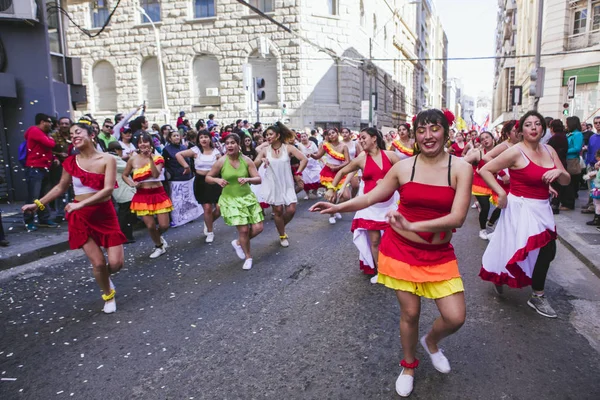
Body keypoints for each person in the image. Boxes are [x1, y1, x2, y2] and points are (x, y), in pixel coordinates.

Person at [310, 109, 471, 397]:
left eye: (434, 128)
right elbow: (372, 196)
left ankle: (431, 342)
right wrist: (337, 207)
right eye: (421, 130)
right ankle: (408, 365)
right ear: (415, 135)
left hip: (438, 254)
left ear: (446, 132)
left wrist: (414, 223)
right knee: (410, 313)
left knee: (455, 317)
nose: (427, 135)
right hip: (400, 250)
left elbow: (458, 217)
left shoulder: (460, 168)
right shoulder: (404, 167)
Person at [22, 120, 126, 314]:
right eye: (71, 134)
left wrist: (82, 203)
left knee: (116, 264)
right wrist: (37, 204)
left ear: (92, 135)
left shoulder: (107, 159)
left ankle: (104, 275)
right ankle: (108, 294)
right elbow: (61, 188)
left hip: (104, 215)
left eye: (78, 132)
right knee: (98, 263)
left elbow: (108, 189)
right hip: (80, 217)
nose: (74, 136)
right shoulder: (70, 162)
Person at [479, 111, 570, 318]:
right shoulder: (515, 152)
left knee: (543, 251)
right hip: (520, 208)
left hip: (542, 209)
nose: (534, 127)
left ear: (543, 129)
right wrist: (501, 192)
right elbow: (485, 169)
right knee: (545, 248)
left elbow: (566, 181)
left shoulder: (550, 150)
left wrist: (559, 173)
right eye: (528, 124)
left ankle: (506, 278)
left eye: (538, 124)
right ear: (521, 131)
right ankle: (538, 295)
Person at [326, 127, 400, 282]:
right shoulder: (361, 159)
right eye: (359, 138)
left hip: (390, 205)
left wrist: (389, 182)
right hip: (369, 206)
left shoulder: (391, 156)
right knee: (374, 240)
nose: (360, 140)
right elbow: (342, 172)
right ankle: (381, 272)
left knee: (393, 240)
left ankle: (394, 267)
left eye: (363, 137)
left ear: (374, 138)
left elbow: (404, 176)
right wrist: (332, 188)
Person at [206, 133, 264, 270]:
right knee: (243, 230)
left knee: (258, 228)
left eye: (233, 143)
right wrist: (217, 180)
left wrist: (248, 179)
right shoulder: (221, 161)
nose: (230, 146)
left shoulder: (246, 160)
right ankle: (248, 257)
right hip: (231, 200)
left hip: (247, 198)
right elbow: (208, 177)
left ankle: (238, 243)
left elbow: (258, 179)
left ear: (238, 145)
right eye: (227, 143)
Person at [254, 122, 307, 247]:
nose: (268, 136)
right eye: (266, 135)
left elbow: (304, 159)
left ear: (277, 135)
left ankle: (280, 226)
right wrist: (261, 160)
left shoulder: (288, 148)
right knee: (277, 211)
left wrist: (298, 173)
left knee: (291, 210)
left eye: (270, 134)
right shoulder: (264, 150)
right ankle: (282, 235)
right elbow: (254, 164)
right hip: (272, 184)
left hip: (287, 183)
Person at [122, 133, 173, 258]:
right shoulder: (133, 159)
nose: (143, 144)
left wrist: (150, 159)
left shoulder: (158, 158)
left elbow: (155, 175)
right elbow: (124, 175)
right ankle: (159, 246)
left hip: (158, 193)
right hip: (142, 195)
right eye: (140, 142)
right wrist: (132, 183)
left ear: (150, 143)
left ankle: (158, 236)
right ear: (137, 145)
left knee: (164, 225)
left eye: (145, 141)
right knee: (150, 226)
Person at [176, 130, 222, 243]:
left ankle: (208, 222)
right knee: (207, 208)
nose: (204, 139)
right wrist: (186, 166)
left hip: (214, 181)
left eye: (206, 137)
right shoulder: (196, 151)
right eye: (201, 137)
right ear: (198, 140)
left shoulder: (216, 152)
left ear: (210, 139)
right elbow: (179, 154)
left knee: (220, 209)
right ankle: (210, 232)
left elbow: (222, 165)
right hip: (201, 182)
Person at [23, 113, 58, 231]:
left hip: (43, 167)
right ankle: (29, 221)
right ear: (42, 122)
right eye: (49, 122)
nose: (51, 124)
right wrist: (51, 139)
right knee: (34, 196)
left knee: (43, 195)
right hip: (35, 168)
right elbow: (50, 144)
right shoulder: (34, 130)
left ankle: (44, 219)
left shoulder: (43, 133)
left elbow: (46, 149)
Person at [311, 128, 350, 224]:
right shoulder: (326, 146)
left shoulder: (344, 146)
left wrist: (338, 168)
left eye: (333, 133)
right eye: (329, 134)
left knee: (346, 196)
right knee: (332, 196)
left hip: (340, 171)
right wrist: (311, 155)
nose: (332, 135)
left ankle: (335, 208)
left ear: (337, 134)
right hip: (328, 172)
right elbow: (317, 156)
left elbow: (348, 161)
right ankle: (332, 214)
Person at [463, 131, 496, 240]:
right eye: (482, 139)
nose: (485, 140)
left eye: (487, 137)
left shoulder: (501, 151)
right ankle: (482, 230)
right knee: (485, 207)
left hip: (495, 184)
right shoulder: (479, 153)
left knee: (501, 207)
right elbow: (463, 162)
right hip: (480, 184)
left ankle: (490, 224)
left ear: (493, 138)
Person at [107, 142, 137, 243]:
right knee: (125, 214)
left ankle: (126, 235)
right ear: (116, 150)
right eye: (120, 150)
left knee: (126, 213)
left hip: (122, 189)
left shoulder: (111, 158)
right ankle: (125, 236)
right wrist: (132, 158)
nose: (121, 153)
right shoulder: (113, 159)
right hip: (123, 190)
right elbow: (129, 168)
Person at [561, 116, 584, 210]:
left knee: (570, 183)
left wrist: (565, 150)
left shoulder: (577, 134)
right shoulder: (569, 134)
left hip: (572, 160)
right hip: (566, 159)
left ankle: (569, 203)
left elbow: (577, 148)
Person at [340, 127, 362, 199]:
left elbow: (360, 156)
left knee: (356, 186)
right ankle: (344, 198)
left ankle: (352, 198)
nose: (344, 134)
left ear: (350, 134)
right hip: (342, 167)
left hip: (353, 167)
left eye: (346, 132)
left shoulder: (355, 143)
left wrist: (359, 168)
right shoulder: (339, 144)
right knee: (344, 190)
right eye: (343, 132)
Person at [298, 132, 321, 199]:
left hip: (314, 163)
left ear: (307, 136)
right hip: (305, 165)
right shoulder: (299, 145)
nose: (303, 138)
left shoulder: (312, 143)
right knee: (306, 180)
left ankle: (315, 191)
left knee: (318, 177)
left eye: (304, 136)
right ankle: (307, 194)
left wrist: (320, 160)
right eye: (302, 137)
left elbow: (317, 153)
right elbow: (299, 155)